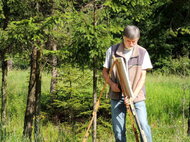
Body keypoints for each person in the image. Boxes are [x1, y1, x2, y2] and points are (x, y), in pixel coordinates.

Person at [102, 25, 153, 142]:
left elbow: (142, 77)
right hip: (117, 96)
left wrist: (132, 96)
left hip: (137, 97)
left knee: (143, 126)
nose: (131, 44)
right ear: (123, 37)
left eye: (134, 41)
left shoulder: (142, 52)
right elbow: (104, 72)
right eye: (128, 41)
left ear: (138, 39)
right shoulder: (112, 50)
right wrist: (112, 84)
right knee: (118, 130)